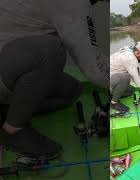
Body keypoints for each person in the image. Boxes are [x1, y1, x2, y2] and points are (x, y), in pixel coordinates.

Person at [0, 0, 109, 160]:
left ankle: (7, 111)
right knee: (52, 51)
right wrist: (125, 79)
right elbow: (95, 69)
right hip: (5, 65)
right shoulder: (73, 4)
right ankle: (13, 131)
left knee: (72, 91)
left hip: (10, 64)